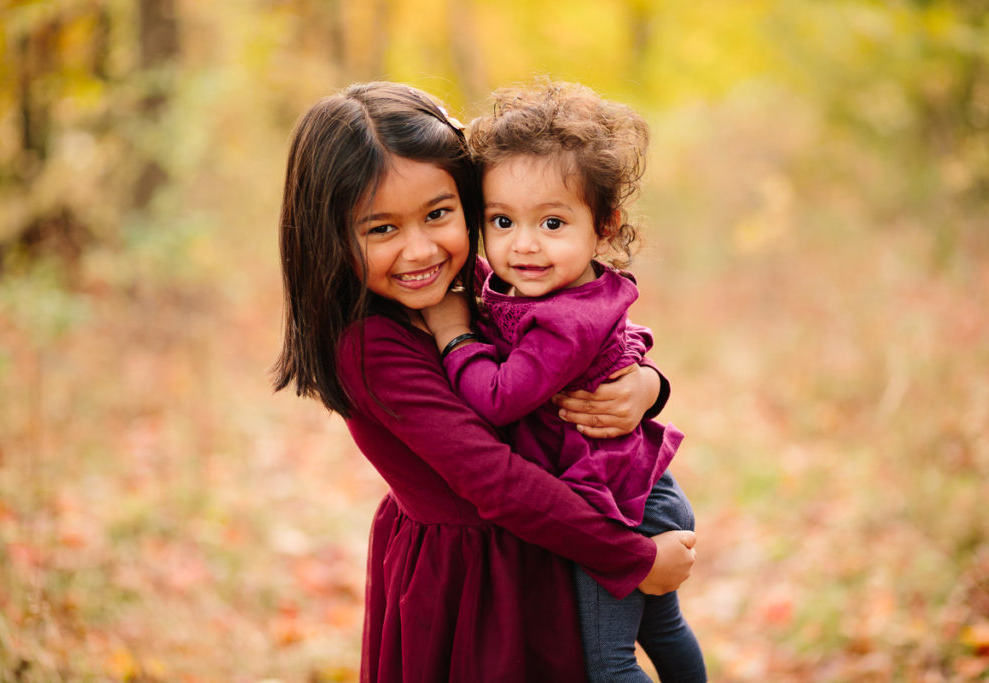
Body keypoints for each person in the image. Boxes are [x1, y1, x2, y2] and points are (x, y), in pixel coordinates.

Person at [271, 81, 697, 683]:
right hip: (474, 584)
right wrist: (632, 558)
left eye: (438, 215)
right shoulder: (370, 348)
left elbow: (584, 334)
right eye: (380, 229)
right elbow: (492, 481)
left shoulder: (476, 275)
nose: (419, 250)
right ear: (329, 234)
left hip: (554, 540)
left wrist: (649, 384)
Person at [421, 81, 706, 682]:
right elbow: (629, 346)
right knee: (664, 629)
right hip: (641, 485)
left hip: (623, 506)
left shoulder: (563, 319)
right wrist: (650, 382)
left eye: (553, 222)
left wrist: (454, 335)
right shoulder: (562, 288)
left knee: (607, 665)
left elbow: (498, 400)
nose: (524, 245)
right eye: (502, 221)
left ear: (604, 225)